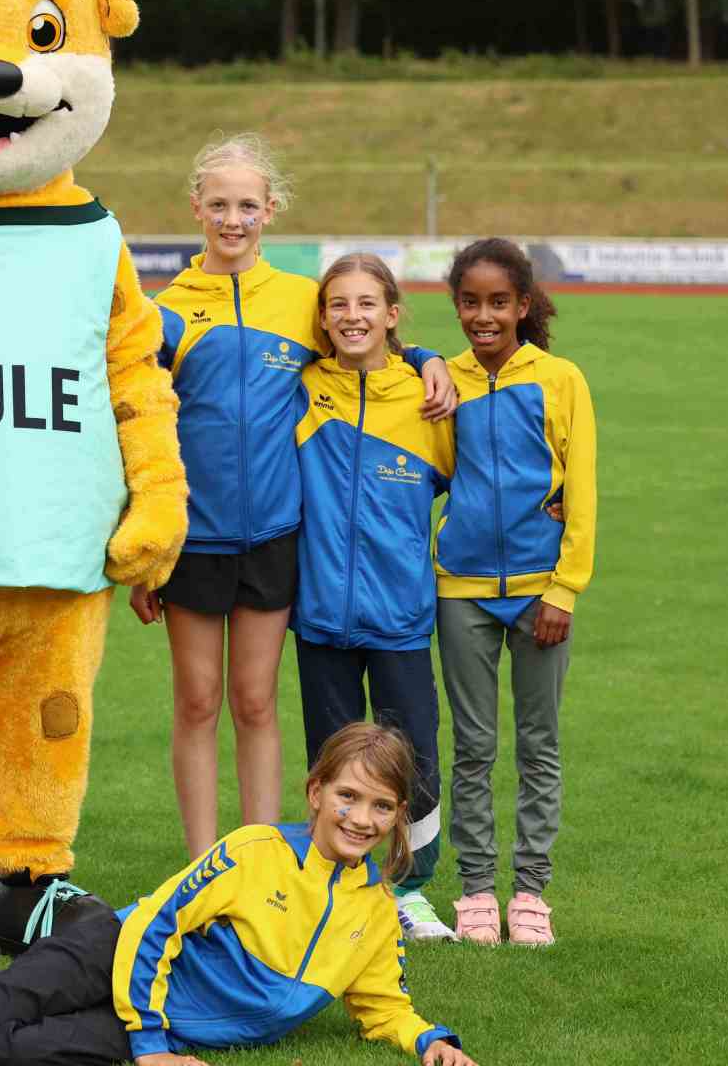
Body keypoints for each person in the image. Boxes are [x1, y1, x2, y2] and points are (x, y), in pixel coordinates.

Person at [0, 721, 477, 1066]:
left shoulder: (376, 912)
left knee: (5, 1054)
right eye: (347, 796)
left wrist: (428, 1042)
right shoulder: (255, 852)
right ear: (315, 793)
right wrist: (149, 1044)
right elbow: (157, 928)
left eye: (380, 806)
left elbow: (383, 1004)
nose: (360, 818)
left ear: (396, 816)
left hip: (166, 1019)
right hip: (115, 951)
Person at [133, 135, 456, 860]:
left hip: (278, 535)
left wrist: (427, 357)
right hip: (194, 540)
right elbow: (141, 424)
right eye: (220, 205)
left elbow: (364, 336)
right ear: (196, 208)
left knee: (255, 702)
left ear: (270, 210)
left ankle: (254, 859)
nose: (234, 219)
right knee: (197, 702)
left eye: (248, 205)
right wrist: (147, 542)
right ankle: (202, 863)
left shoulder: (301, 302)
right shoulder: (168, 312)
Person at [434, 238, 596, 946]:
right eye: (471, 302)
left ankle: (530, 893)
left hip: (540, 593)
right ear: (456, 306)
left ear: (523, 305)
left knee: (539, 744)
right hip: (461, 591)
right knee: (471, 747)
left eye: (499, 302)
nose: (484, 316)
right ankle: (475, 891)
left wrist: (565, 589)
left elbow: (582, 490)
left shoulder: (561, 379)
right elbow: (433, 470)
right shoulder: (446, 381)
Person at [291, 254, 457, 942]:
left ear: (392, 314)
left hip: (401, 617)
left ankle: (409, 891)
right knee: (332, 758)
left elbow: (469, 493)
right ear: (323, 318)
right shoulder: (302, 389)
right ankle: (334, 888)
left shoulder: (429, 399)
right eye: (338, 304)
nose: (351, 316)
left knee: (414, 754)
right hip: (320, 615)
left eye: (366, 304)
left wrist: (426, 358)